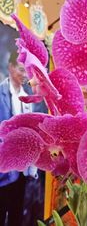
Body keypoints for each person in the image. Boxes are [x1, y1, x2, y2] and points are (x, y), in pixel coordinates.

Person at [0, 50, 37, 226]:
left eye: (26, 72)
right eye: (21, 70)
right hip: (3, 171)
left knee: (17, 214)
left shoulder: (27, 99)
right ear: (10, 67)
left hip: (22, 170)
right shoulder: (0, 94)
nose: (24, 75)